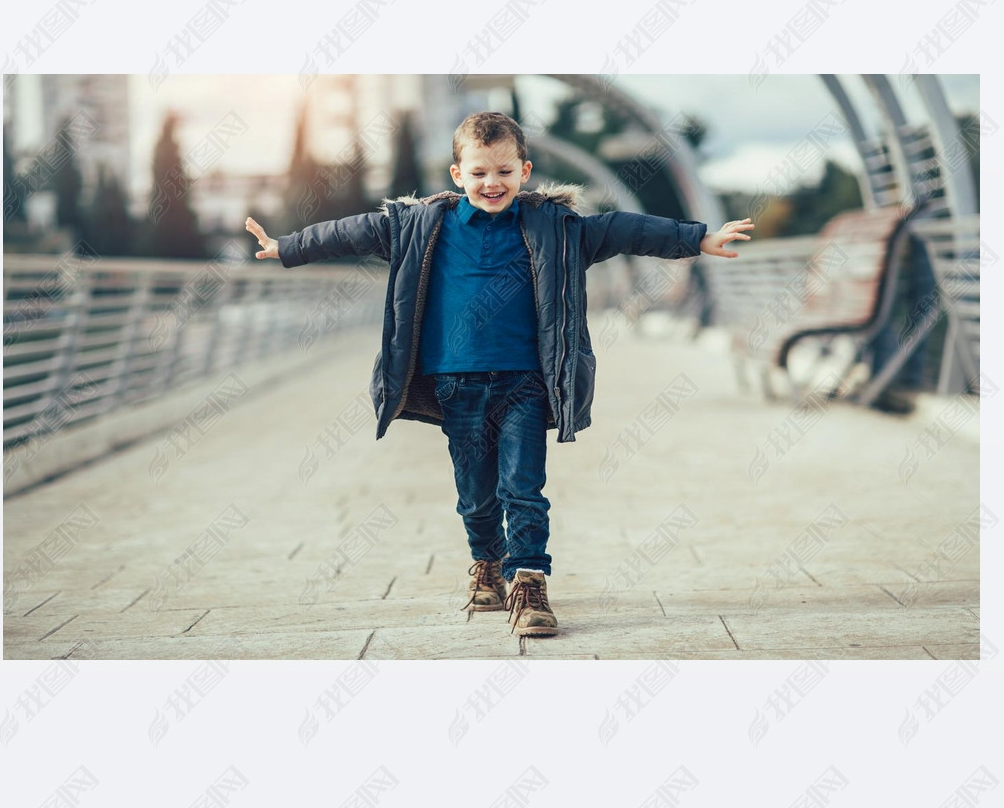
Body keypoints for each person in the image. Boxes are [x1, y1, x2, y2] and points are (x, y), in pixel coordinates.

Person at [246, 111, 752, 638]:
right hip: (454, 384)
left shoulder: (558, 228)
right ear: (457, 174)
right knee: (476, 494)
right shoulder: (419, 226)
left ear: (525, 171)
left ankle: (529, 582)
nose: (493, 183)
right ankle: (486, 562)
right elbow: (350, 232)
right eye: (480, 172)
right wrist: (288, 247)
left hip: (527, 382)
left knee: (523, 488)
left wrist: (698, 239)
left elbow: (625, 229)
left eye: (505, 172)